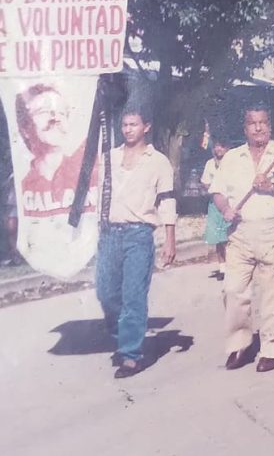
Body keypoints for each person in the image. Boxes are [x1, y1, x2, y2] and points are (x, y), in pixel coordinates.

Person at [210, 106, 274, 373]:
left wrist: (273, 187)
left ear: (270, 126)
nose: (258, 127)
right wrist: (225, 209)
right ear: (245, 128)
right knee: (233, 290)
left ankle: (271, 350)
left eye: (263, 122)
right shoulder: (232, 157)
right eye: (252, 123)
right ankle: (239, 345)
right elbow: (217, 191)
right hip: (240, 232)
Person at [97, 105, 177, 379]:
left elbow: (167, 201)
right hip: (109, 235)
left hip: (139, 235)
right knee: (106, 293)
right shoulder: (108, 158)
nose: (128, 130)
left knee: (133, 295)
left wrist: (170, 240)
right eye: (125, 125)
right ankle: (123, 336)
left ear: (146, 127)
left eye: (134, 125)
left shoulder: (158, 162)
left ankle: (131, 354)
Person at [16, 83, 98, 218]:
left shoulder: (91, 170)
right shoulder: (20, 184)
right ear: (25, 129)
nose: (55, 118)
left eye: (61, 113)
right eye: (43, 112)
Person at [201, 137, 232, 279]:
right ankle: (222, 268)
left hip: (231, 203)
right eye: (216, 146)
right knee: (218, 238)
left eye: (222, 146)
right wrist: (214, 189)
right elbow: (205, 182)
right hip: (215, 204)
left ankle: (234, 267)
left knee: (230, 236)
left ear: (228, 148)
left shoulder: (233, 162)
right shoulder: (210, 163)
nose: (219, 149)